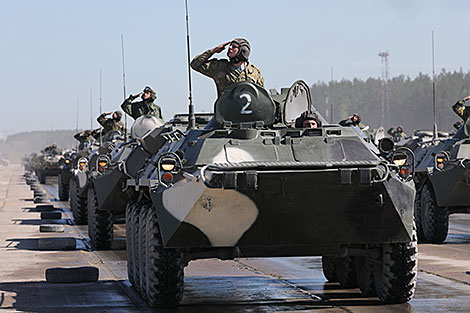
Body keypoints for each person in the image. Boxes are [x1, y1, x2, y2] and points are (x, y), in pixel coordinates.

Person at [190, 38, 264, 96]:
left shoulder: (254, 72)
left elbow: (261, 95)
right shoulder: (220, 67)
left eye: (234, 47)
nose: (230, 48)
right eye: (230, 46)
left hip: (249, 113)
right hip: (225, 113)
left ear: (242, 51)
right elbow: (195, 64)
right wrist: (213, 51)